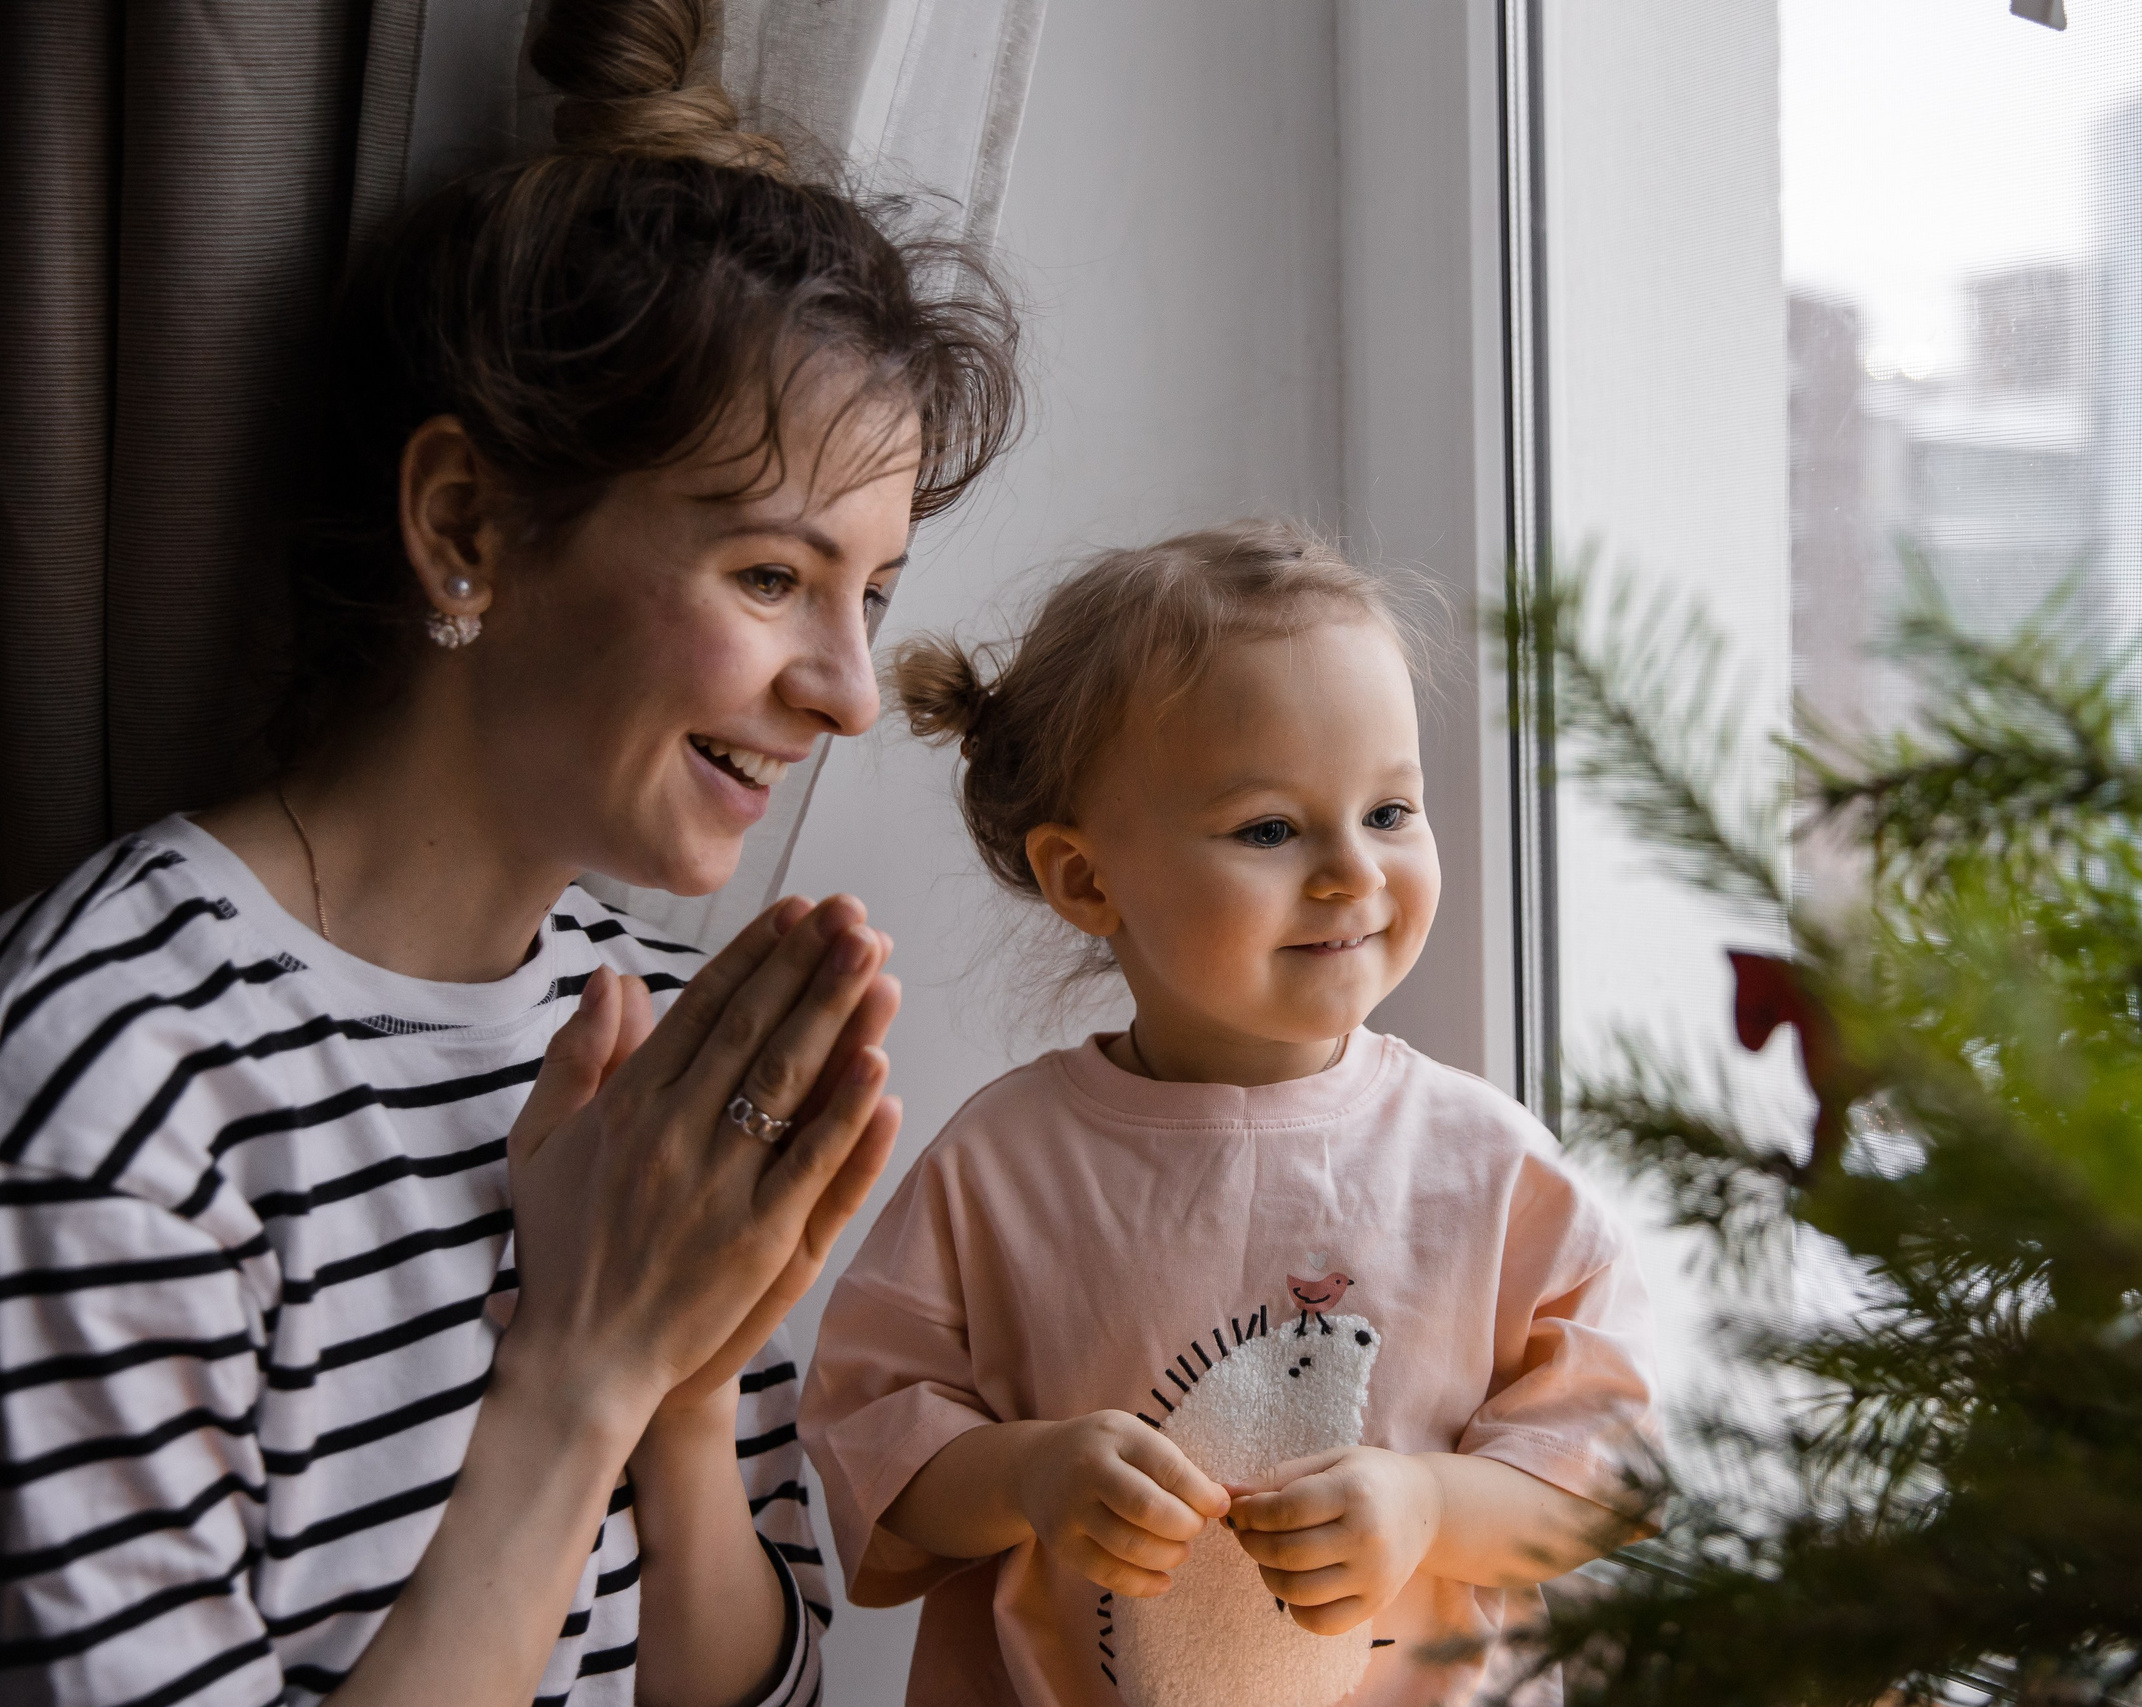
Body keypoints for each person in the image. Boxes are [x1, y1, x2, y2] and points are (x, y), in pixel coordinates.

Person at [0, 1, 1020, 1702]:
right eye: (771, 576)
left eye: (876, 596)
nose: (848, 692)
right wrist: (582, 1371)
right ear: (465, 525)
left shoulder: (666, 1041)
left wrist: (689, 1390)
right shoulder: (111, 1080)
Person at [800, 522, 1659, 1707]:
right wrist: (1026, 1474)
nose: (1352, 872)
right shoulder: (1001, 1169)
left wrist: (1427, 1506)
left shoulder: (1488, 1166)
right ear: (1086, 879)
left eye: (1390, 813)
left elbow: (1604, 1472)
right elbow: (869, 1443)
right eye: (1270, 828)